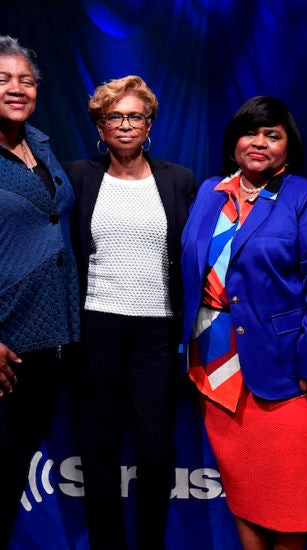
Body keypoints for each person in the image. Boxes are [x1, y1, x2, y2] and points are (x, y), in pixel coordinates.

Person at [180, 95, 307, 550]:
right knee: (244, 493)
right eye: (250, 133)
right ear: (233, 142)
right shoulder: (210, 192)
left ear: (288, 146)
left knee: (289, 501)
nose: (259, 143)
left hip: (292, 369)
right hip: (216, 369)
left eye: (272, 135)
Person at [64, 75, 196, 550]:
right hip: (96, 327)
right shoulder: (78, 176)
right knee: (98, 446)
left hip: (156, 333)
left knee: (155, 447)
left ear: (149, 124)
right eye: (113, 116)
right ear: (100, 127)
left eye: (134, 116)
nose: (124, 124)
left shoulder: (178, 180)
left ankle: (151, 544)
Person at [0, 36, 80, 549]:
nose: (17, 88)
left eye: (26, 80)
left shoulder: (41, 147)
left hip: (49, 341)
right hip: (6, 345)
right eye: (3, 79)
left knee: (11, 475)